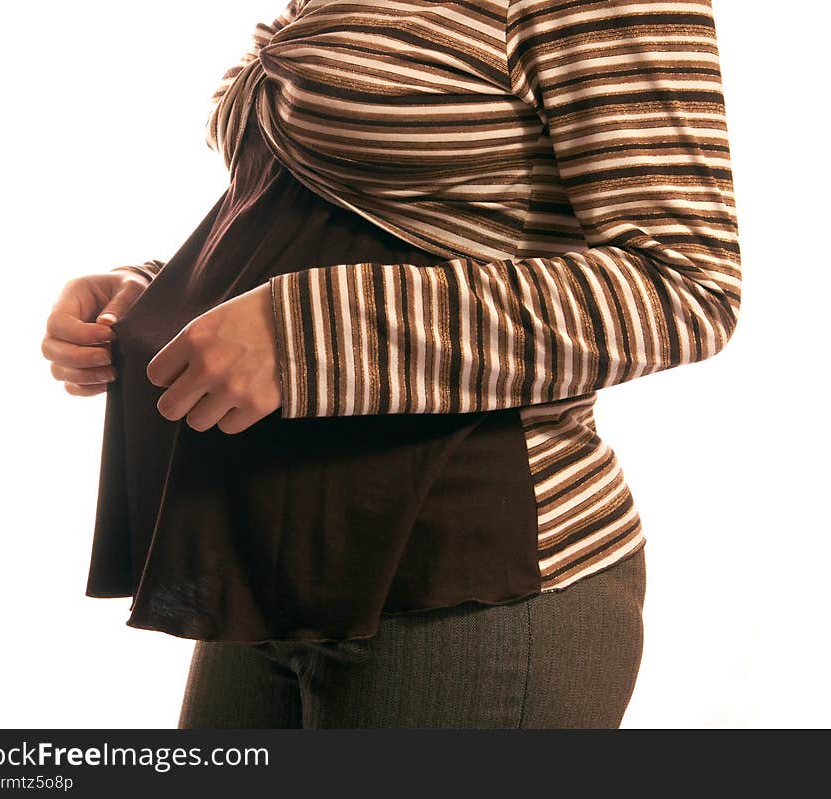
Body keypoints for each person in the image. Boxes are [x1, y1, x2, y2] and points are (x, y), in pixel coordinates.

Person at [40, 0, 740, 729]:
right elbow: (361, 208)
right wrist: (162, 296)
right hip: (275, 557)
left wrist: (304, 337)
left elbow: (687, 285)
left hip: (465, 588)